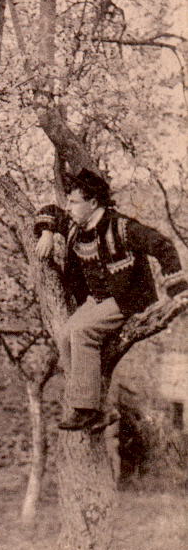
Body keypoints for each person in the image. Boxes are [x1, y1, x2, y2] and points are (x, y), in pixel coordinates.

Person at [35, 169, 188, 431]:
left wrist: (177, 289)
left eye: (74, 202)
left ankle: (85, 409)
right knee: (64, 336)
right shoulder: (74, 225)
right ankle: (102, 410)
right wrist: (48, 232)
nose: (69, 208)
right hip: (98, 300)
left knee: (83, 333)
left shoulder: (122, 227)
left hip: (129, 299)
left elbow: (162, 245)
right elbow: (49, 210)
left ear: (93, 203)